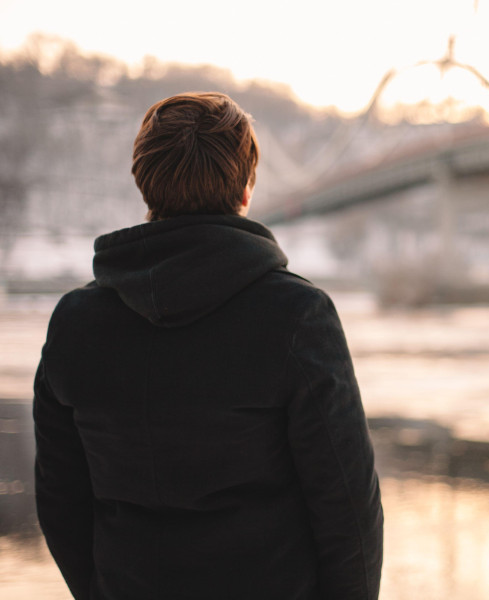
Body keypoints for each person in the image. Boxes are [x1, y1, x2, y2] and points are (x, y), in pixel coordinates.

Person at [33, 92, 383, 600]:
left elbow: (59, 501)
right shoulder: (295, 317)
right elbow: (347, 510)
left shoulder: (75, 324)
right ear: (245, 187)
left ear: (144, 184)